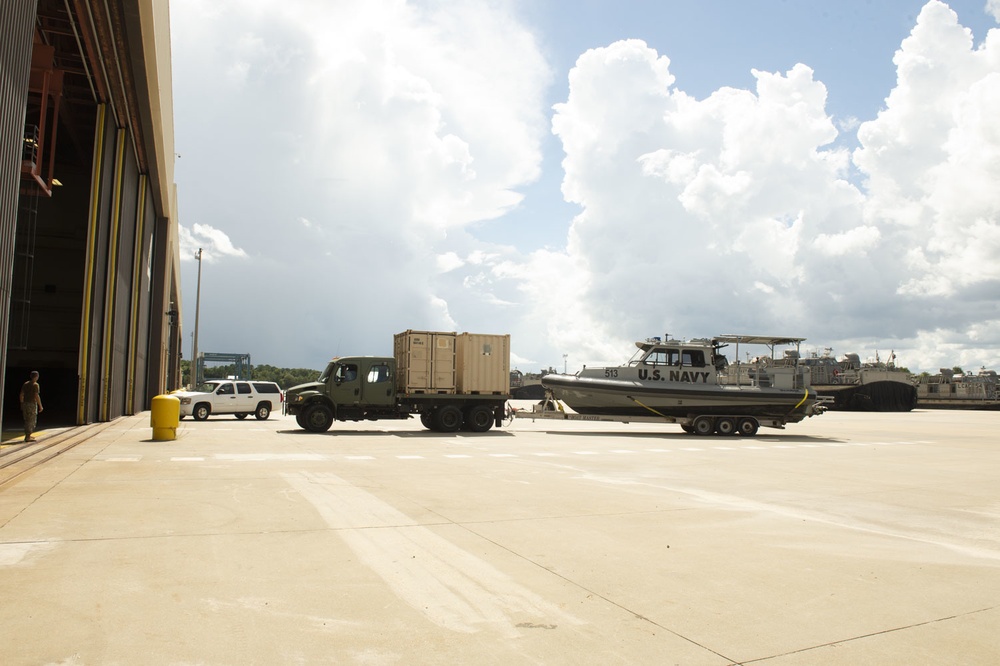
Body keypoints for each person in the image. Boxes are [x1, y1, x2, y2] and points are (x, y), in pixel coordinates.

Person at [19, 370, 43, 442]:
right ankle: (28, 436)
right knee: (31, 420)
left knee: (26, 419)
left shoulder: (25, 384)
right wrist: (40, 405)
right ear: (36, 377)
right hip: (32, 404)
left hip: (25, 403)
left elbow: (21, 394)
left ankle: (28, 434)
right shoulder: (36, 385)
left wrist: (22, 403)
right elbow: (36, 396)